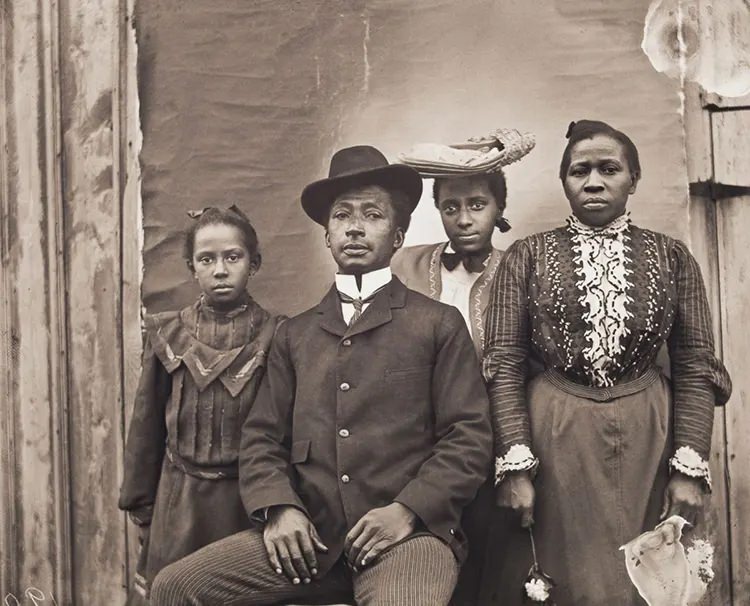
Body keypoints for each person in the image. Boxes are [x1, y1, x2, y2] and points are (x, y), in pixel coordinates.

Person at [150, 145, 493, 606]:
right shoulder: (296, 334)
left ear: (397, 237)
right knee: (176, 588)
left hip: (410, 537)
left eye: (372, 215)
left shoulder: (437, 322)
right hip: (312, 538)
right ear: (327, 236)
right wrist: (279, 509)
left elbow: (468, 437)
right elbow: (262, 437)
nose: (354, 226)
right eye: (341, 216)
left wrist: (407, 510)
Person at [480, 120, 732, 605]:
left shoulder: (673, 257)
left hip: (650, 436)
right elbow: (504, 363)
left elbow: (696, 364)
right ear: (565, 182)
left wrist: (688, 469)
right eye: (580, 171)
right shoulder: (526, 257)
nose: (593, 181)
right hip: (554, 437)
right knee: (560, 582)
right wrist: (513, 465)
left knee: (652, 578)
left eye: (608, 169)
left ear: (632, 179)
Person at [391, 129, 534, 605]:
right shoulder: (404, 266)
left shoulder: (520, 270)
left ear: (499, 208)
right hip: (416, 446)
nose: (464, 219)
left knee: (489, 569)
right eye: (451, 207)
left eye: (477, 205)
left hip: (492, 440)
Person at [118, 205, 280, 602]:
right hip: (180, 502)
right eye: (206, 259)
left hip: (247, 504)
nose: (220, 270)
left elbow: (286, 429)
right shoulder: (167, 332)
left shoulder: (278, 334)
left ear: (253, 263)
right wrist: (144, 508)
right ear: (192, 267)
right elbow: (146, 427)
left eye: (233, 257)